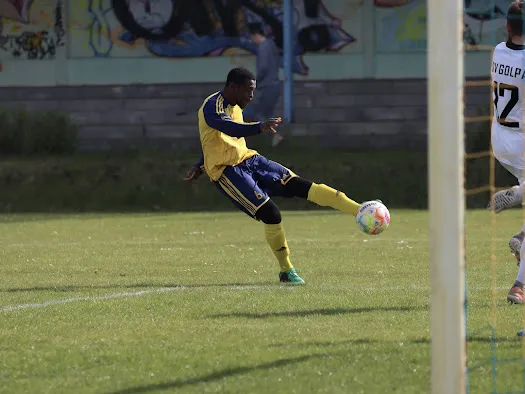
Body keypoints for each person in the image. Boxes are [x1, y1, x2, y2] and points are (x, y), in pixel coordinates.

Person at [184, 67, 368, 285]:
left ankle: (360, 209)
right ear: (233, 87)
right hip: (227, 171)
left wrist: (198, 165)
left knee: (299, 185)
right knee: (271, 214)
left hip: (250, 159)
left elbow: (215, 140)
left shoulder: (235, 106)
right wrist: (259, 127)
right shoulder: (211, 106)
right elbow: (227, 128)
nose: (251, 96)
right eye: (248, 91)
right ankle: (286, 270)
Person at [487, 0, 525, 303]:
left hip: (501, 141)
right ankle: (519, 286)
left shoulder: (499, 50)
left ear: (508, 27)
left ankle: (522, 237)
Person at [245, 23, 284, 147]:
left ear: (256, 35)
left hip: (267, 86)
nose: (252, 41)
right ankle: (277, 137)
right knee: (267, 113)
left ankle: (277, 135)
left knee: (259, 114)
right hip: (274, 84)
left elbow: (263, 68)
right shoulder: (272, 45)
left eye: (252, 38)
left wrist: (254, 81)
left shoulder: (263, 47)